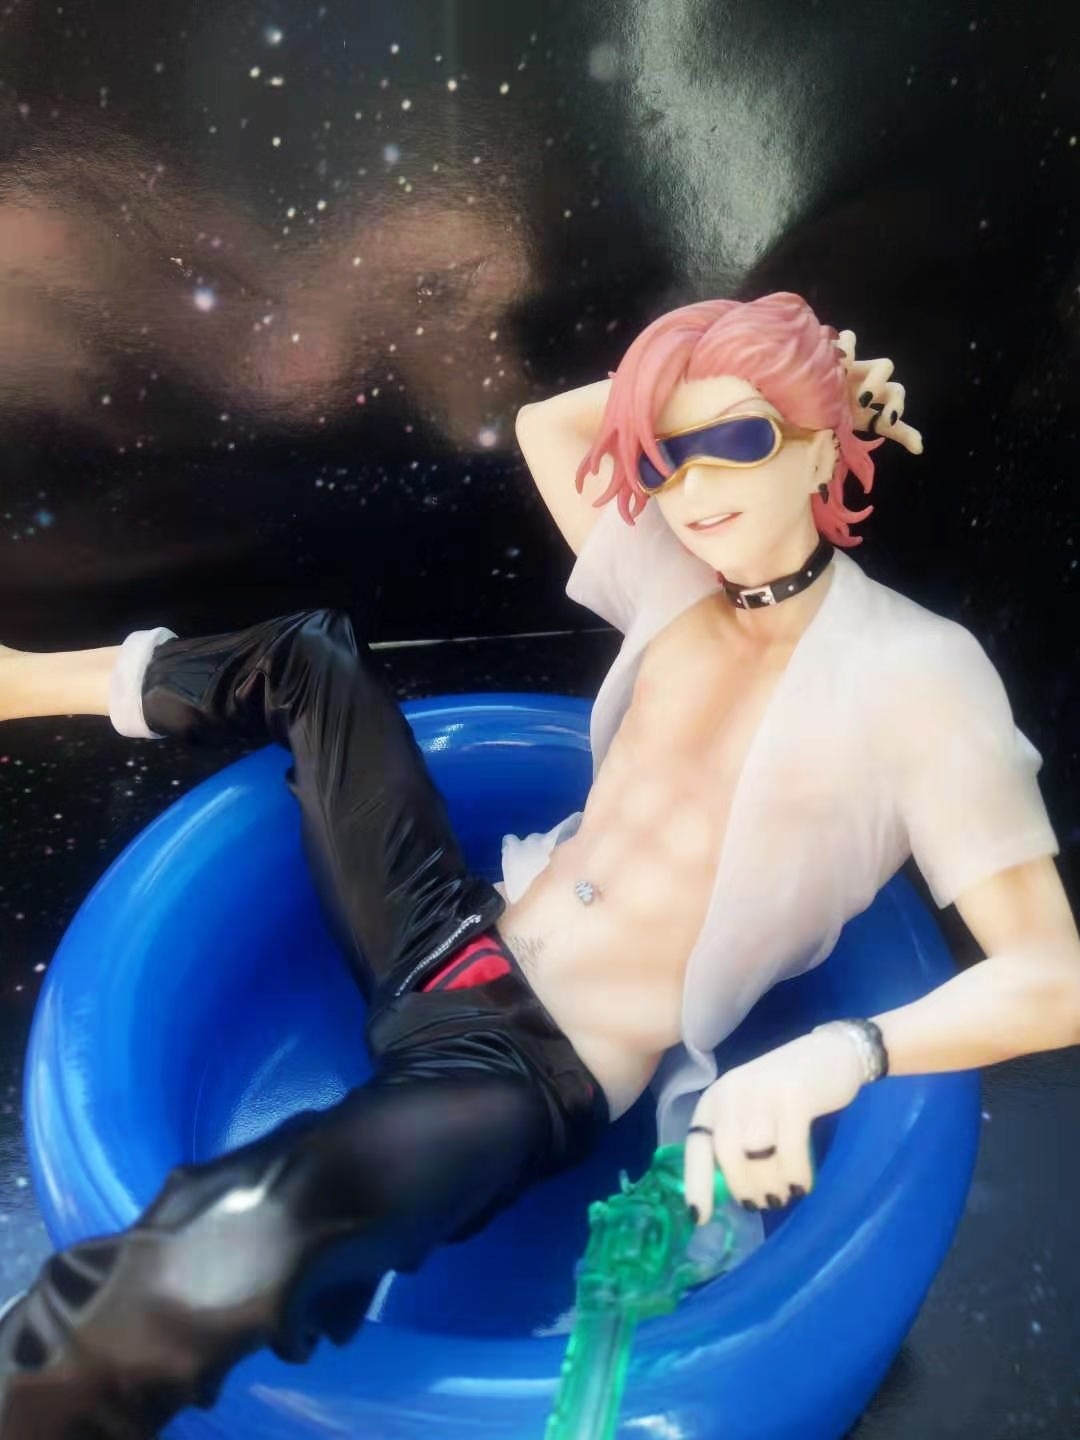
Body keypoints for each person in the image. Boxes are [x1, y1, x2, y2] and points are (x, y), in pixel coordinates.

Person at [0, 291, 1077, 1438]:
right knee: (310, 660)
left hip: (524, 1067)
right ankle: (15, 681)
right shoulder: (673, 579)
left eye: (739, 438)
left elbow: (1055, 980)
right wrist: (733, 368)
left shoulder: (919, 676)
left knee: (255, 1234)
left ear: (822, 444)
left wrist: (839, 1055)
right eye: (663, 455)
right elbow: (545, 428)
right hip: (456, 932)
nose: (693, 487)